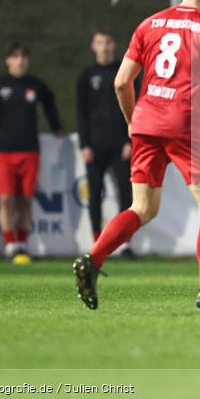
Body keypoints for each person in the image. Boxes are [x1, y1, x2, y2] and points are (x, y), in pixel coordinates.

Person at [73, 0, 200, 313]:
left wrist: (133, 121)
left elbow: (121, 82)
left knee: (142, 207)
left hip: (147, 121)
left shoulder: (149, 24)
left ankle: (93, 258)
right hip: (184, 123)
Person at [0, 42, 64, 264]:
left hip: (29, 151)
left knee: (25, 199)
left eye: (24, 57)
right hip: (3, 151)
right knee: (6, 199)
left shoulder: (35, 85)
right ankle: (10, 243)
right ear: (8, 60)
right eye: (16, 57)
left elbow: (50, 102)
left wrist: (56, 126)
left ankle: (23, 243)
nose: (20, 61)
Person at [76, 30, 135, 256]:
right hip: (95, 145)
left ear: (114, 45)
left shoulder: (125, 71)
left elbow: (136, 105)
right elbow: (81, 113)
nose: (104, 47)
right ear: (93, 46)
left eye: (108, 42)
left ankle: (124, 243)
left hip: (121, 145)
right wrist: (84, 144)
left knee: (126, 192)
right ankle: (97, 242)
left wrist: (130, 139)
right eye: (100, 42)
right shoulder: (87, 76)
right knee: (94, 193)